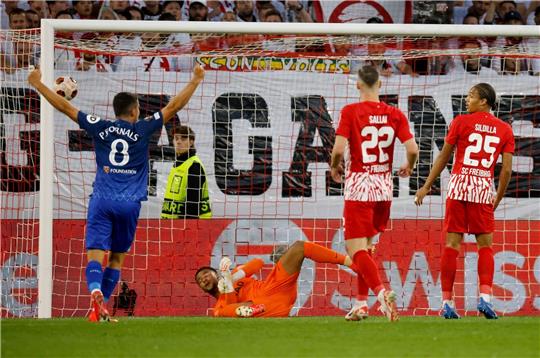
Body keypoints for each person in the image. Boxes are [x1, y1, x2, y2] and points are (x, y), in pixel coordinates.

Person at [27, 64, 205, 322]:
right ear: (135, 111)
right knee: (117, 259)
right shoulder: (142, 128)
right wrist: (196, 80)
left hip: (101, 200)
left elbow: (65, 107)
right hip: (129, 203)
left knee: (96, 256)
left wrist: (37, 83)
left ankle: (95, 290)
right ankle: (97, 310)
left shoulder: (100, 126)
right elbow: (174, 107)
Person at [415, 83, 514, 320]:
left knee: (451, 245)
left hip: (459, 186)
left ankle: (447, 303)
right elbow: (507, 170)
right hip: (482, 188)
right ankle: (485, 299)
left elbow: (443, 156)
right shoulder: (504, 129)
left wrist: (427, 185)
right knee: (486, 246)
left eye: (472, 96)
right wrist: (497, 198)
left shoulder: (461, 122)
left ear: (484, 101)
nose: (467, 99)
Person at [330, 65, 419, 322]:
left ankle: (381, 294)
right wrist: (409, 166)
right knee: (367, 249)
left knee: (355, 249)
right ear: (380, 85)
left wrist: (335, 166)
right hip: (384, 186)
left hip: (359, 184)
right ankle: (360, 304)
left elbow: (338, 149)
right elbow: (413, 149)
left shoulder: (351, 111)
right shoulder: (395, 114)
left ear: (358, 85)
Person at [195, 241, 355, 317]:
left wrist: (233, 276)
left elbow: (257, 263)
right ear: (202, 289)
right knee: (220, 313)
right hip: (262, 305)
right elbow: (231, 303)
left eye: (205, 274)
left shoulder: (235, 275)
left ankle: (350, 262)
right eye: (200, 280)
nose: (204, 279)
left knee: (299, 247)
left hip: (274, 287)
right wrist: (228, 284)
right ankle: (253, 311)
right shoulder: (220, 305)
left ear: (215, 272)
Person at [161, 125, 211, 219]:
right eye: (176, 139)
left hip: (187, 228)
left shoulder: (194, 165)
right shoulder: (177, 166)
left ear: (191, 142)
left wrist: (185, 231)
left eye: (183, 139)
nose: (178, 142)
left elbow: (193, 207)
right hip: (171, 226)